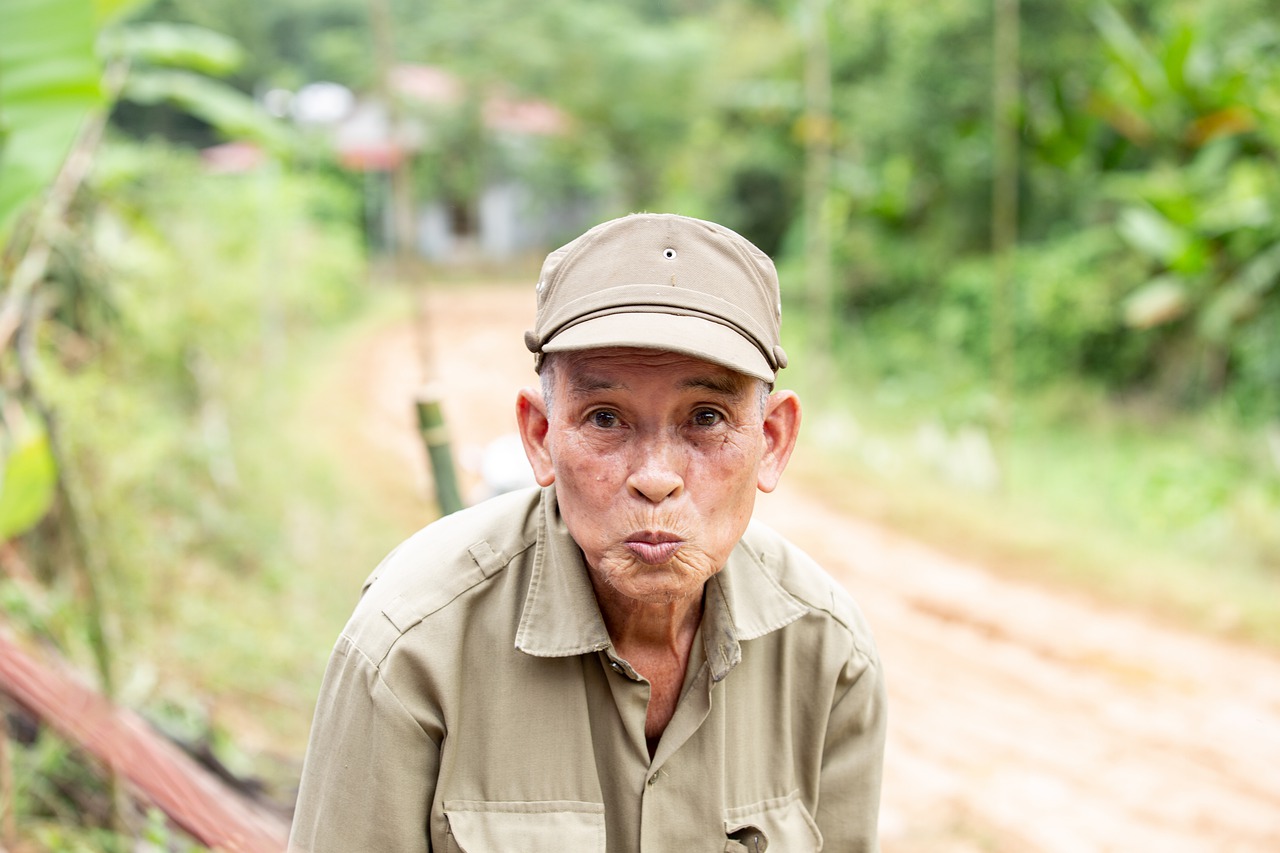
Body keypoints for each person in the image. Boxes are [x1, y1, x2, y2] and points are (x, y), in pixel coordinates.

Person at [288, 213, 887, 853]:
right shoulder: (411, 646)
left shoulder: (828, 653)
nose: (656, 478)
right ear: (541, 437)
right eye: (606, 419)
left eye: (706, 418)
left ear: (771, 441)